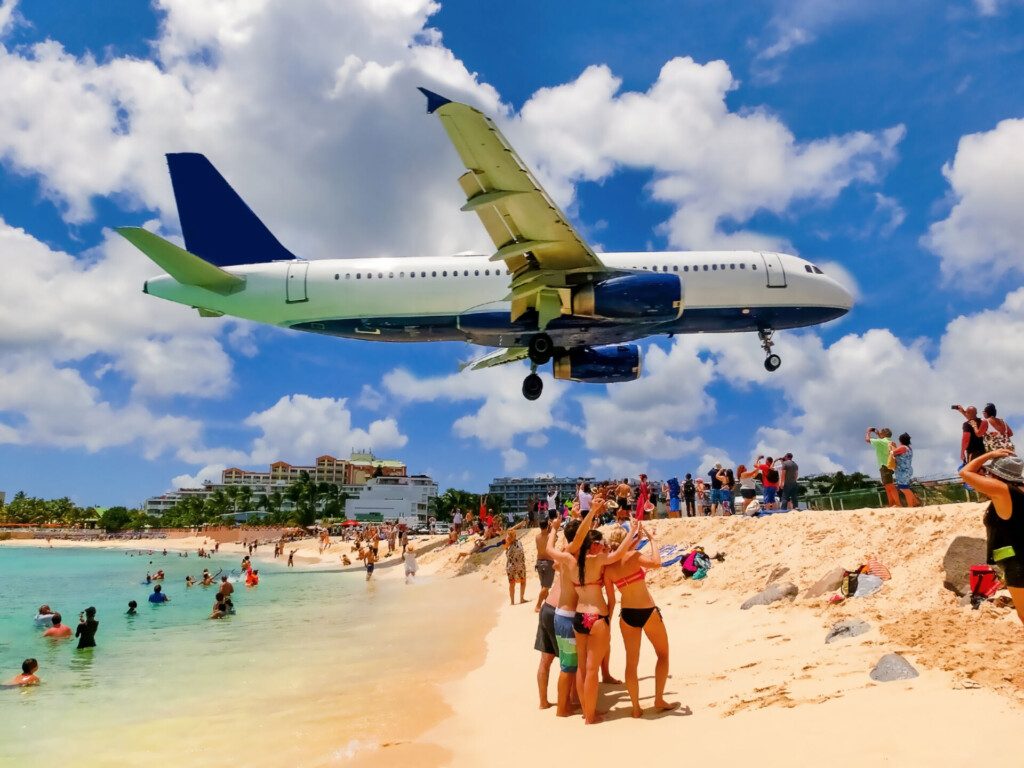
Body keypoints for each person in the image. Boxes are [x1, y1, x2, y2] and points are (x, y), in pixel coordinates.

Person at [604, 525, 680, 718]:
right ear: (626, 541)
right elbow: (656, 562)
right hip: (647, 611)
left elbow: (611, 601)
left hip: (627, 614)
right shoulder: (635, 556)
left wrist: (607, 622)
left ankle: (636, 707)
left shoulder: (608, 569)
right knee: (663, 654)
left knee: (631, 663)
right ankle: (659, 698)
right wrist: (653, 540)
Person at [571, 519, 640, 724]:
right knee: (592, 670)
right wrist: (633, 532)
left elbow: (554, 552)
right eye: (600, 542)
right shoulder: (598, 562)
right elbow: (619, 555)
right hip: (597, 617)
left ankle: (587, 711)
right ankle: (591, 717)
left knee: (582, 668)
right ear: (593, 545)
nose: (603, 545)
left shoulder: (572, 563)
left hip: (579, 616)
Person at [960, 449, 1024, 625]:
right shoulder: (1017, 492)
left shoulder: (1003, 491)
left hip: (1018, 564)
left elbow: (965, 473)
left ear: (998, 475)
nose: (986, 476)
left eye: (989, 473)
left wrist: (990, 454)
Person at [865, 428, 900, 507]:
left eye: (880, 432)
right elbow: (882, 439)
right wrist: (878, 434)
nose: (879, 433)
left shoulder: (881, 442)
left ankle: (898, 504)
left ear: (884, 434)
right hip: (889, 465)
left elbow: (867, 440)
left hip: (884, 465)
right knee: (888, 486)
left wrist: (868, 432)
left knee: (890, 486)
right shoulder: (890, 441)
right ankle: (892, 504)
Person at [890, 433, 920, 507]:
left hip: (902, 471)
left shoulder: (902, 448)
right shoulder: (908, 448)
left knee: (904, 489)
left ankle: (911, 506)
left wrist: (892, 446)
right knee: (904, 488)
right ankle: (915, 502)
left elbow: (892, 453)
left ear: (900, 440)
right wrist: (895, 447)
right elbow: (899, 453)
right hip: (906, 470)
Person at [534, 515, 555, 612]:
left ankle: (548, 604)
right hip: (548, 562)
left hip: (539, 562)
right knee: (546, 586)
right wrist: (551, 527)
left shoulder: (537, 537)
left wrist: (548, 527)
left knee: (544, 586)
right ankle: (538, 605)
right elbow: (555, 538)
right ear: (547, 526)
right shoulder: (550, 536)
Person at [504, 530, 527, 605]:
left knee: (511, 584)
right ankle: (521, 599)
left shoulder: (508, 545)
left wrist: (506, 548)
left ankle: (512, 602)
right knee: (523, 582)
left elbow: (508, 556)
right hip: (520, 565)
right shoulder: (519, 543)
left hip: (510, 567)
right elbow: (521, 554)